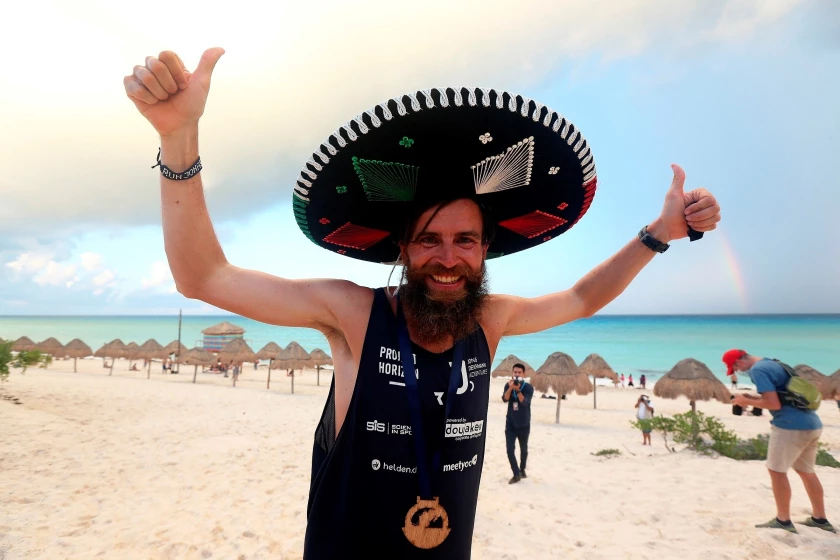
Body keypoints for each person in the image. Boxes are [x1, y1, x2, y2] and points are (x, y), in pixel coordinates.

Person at [124, 47, 721, 558]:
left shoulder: (492, 321)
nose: (447, 257)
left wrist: (657, 235)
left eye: (465, 240)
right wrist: (178, 139)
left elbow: (584, 297)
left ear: (487, 248)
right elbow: (203, 276)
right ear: (403, 248)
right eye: (428, 240)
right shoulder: (352, 313)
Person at [724, 349, 834, 534]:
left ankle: (783, 521)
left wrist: (745, 401)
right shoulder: (773, 363)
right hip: (811, 424)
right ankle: (820, 519)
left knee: (776, 471)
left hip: (790, 426)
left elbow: (773, 404)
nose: (737, 372)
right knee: (807, 472)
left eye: (734, 368)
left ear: (739, 362)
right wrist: (750, 399)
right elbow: (781, 397)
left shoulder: (758, 370)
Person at [502, 364, 534, 484]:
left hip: (524, 423)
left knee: (524, 449)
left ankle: (522, 469)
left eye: (519, 372)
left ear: (524, 374)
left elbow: (525, 403)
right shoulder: (508, 385)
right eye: (515, 372)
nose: (516, 374)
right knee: (510, 449)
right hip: (510, 423)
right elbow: (505, 399)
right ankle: (516, 473)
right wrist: (511, 388)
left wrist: (518, 390)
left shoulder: (528, 388)